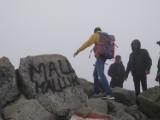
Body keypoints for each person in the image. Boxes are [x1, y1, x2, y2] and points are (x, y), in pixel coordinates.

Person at [73, 27, 114, 99]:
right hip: (104, 56)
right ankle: (97, 91)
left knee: (100, 74)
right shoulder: (105, 36)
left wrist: (78, 50)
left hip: (100, 57)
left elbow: (87, 43)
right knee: (95, 74)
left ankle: (109, 93)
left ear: (95, 31)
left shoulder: (96, 35)